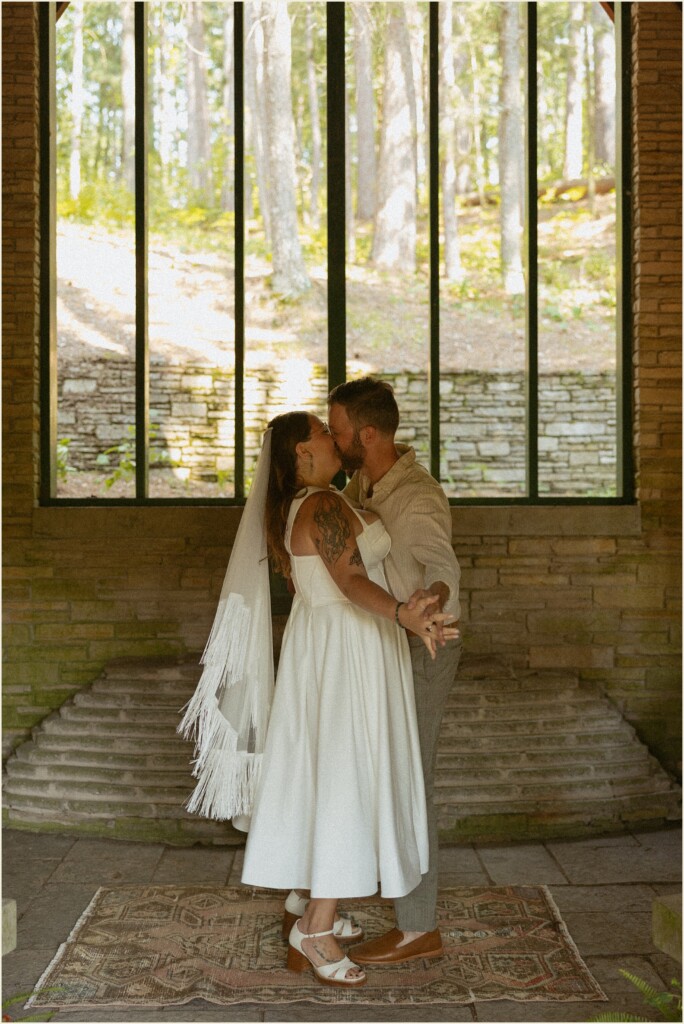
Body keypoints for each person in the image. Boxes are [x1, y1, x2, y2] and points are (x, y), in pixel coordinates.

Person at [180, 410, 456, 989]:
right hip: (347, 647)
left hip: (331, 644)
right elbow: (351, 579)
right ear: (302, 454)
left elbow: (367, 545)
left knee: (333, 775)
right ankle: (316, 927)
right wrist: (402, 613)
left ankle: (309, 909)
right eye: (322, 433)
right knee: (346, 778)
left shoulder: (324, 501)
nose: (334, 440)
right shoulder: (323, 507)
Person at [327, 376, 462, 965]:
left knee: (413, 778)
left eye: (338, 432)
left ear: (369, 433)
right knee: (373, 773)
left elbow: (442, 566)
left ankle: (417, 927)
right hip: (382, 643)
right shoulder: (361, 483)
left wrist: (429, 601)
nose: (333, 441)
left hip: (425, 646)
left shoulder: (420, 496)